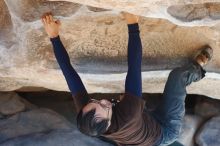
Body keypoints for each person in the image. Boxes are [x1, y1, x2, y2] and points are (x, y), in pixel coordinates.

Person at [41, 12, 213, 146]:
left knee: (133, 105)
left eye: (95, 101)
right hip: (165, 131)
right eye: (105, 107)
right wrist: (132, 23)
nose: (103, 101)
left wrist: (54, 37)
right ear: (107, 122)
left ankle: (143, 112)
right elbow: (134, 66)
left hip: (143, 127)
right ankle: (198, 66)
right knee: (177, 77)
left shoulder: (89, 116)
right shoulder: (128, 114)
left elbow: (69, 74)